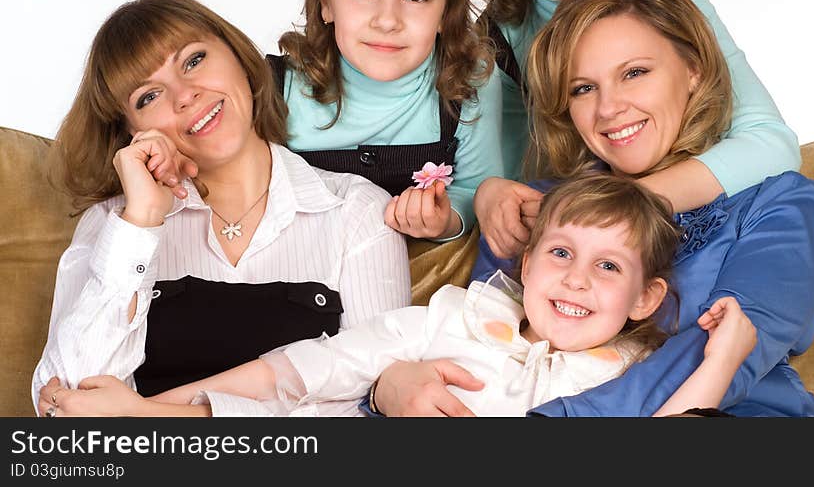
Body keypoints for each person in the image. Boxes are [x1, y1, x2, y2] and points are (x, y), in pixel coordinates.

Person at [370, 0, 814, 417]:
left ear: (693, 70)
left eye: (634, 73)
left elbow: (735, 342)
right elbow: (478, 356)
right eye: (584, 87)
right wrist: (387, 387)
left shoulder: (781, 205)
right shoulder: (539, 207)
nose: (609, 108)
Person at [35, 172, 758, 418]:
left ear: (644, 296)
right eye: (562, 253)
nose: (575, 277)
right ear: (527, 261)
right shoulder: (451, 320)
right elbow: (300, 369)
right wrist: (148, 410)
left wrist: (721, 361)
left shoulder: (640, 369)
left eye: (608, 267)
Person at [32, 0, 411, 417]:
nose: (185, 95)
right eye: (148, 97)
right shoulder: (114, 225)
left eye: (194, 60)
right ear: (130, 130)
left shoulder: (356, 213)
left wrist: (150, 416)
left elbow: (372, 403)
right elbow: (69, 409)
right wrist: (141, 223)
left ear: (238, 58)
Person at [469, 0, 802, 259]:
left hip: (691, 220)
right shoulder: (501, 31)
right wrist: (489, 192)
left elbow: (772, 143)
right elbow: (513, 170)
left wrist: (626, 202)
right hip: (590, 245)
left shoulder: (673, 3)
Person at [267, 0, 503, 242]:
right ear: (325, 2)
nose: (388, 20)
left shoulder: (469, 81)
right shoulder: (276, 88)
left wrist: (446, 220)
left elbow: (476, 190)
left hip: (419, 280)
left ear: (445, 13)